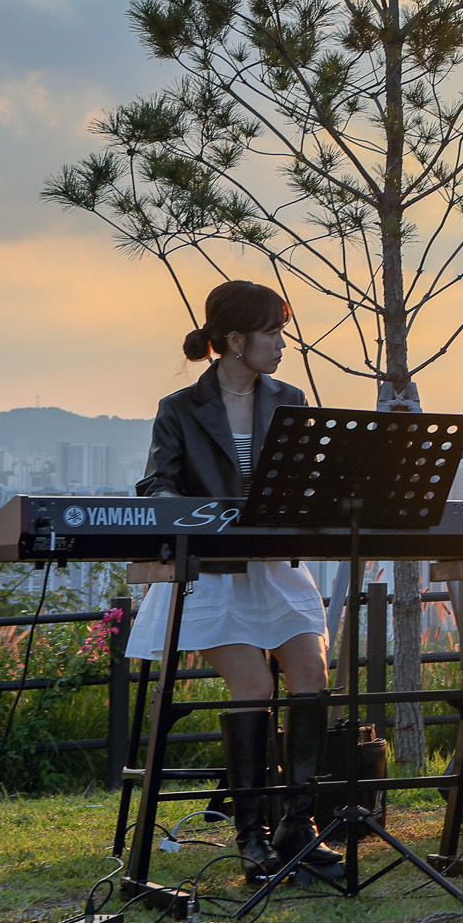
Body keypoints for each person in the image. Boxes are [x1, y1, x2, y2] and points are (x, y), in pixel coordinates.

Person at [126, 280, 341, 882]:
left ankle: (302, 827)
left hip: (274, 569)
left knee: (311, 672)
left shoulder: (289, 398)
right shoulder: (180, 407)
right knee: (252, 684)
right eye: (273, 332)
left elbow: (306, 480)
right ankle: (252, 838)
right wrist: (185, 511)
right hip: (212, 576)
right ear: (235, 339)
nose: (281, 344)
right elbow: (156, 484)